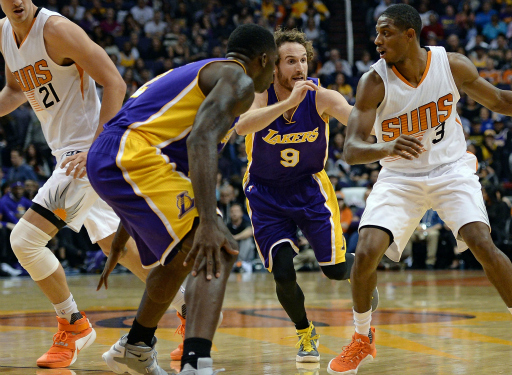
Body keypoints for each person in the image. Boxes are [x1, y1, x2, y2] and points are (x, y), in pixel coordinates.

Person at [327, 5, 512, 375]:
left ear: (410, 34)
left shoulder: (451, 65)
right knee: (367, 251)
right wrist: (384, 147)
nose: (377, 40)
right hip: (400, 177)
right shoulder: (374, 81)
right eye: (376, 32)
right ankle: (361, 338)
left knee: (482, 242)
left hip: (451, 169)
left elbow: (498, 100)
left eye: (385, 32)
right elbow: (352, 149)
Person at [0, 1, 183, 368]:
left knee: (24, 241)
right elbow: (16, 90)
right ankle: (190, 305)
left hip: (86, 155)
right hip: (66, 155)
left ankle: (74, 325)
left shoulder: (56, 30)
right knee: (121, 251)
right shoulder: (5, 34)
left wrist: (98, 147)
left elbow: (114, 81)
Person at [87, 24, 277, 375]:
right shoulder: (239, 81)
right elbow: (200, 141)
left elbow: (165, 145)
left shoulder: (201, 74)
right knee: (219, 246)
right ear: (263, 59)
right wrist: (208, 223)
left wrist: (123, 234)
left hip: (115, 158)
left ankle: (136, 346)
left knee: (178, 259)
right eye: (276, 63)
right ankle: (196, 364)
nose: (275, 73)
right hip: (131, 156)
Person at [234, 28, 378, 363]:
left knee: (335, 271)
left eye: (303, 60)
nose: (299, 68)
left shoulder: (322, 97)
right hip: (264, 193)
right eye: (290, 61)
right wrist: (287, 103)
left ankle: (361, 269)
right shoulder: (259, 94)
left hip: (310, 190)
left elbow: (359, 123)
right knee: (283, 272)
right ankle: (305, 332)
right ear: (273, 67)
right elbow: (243, 126)